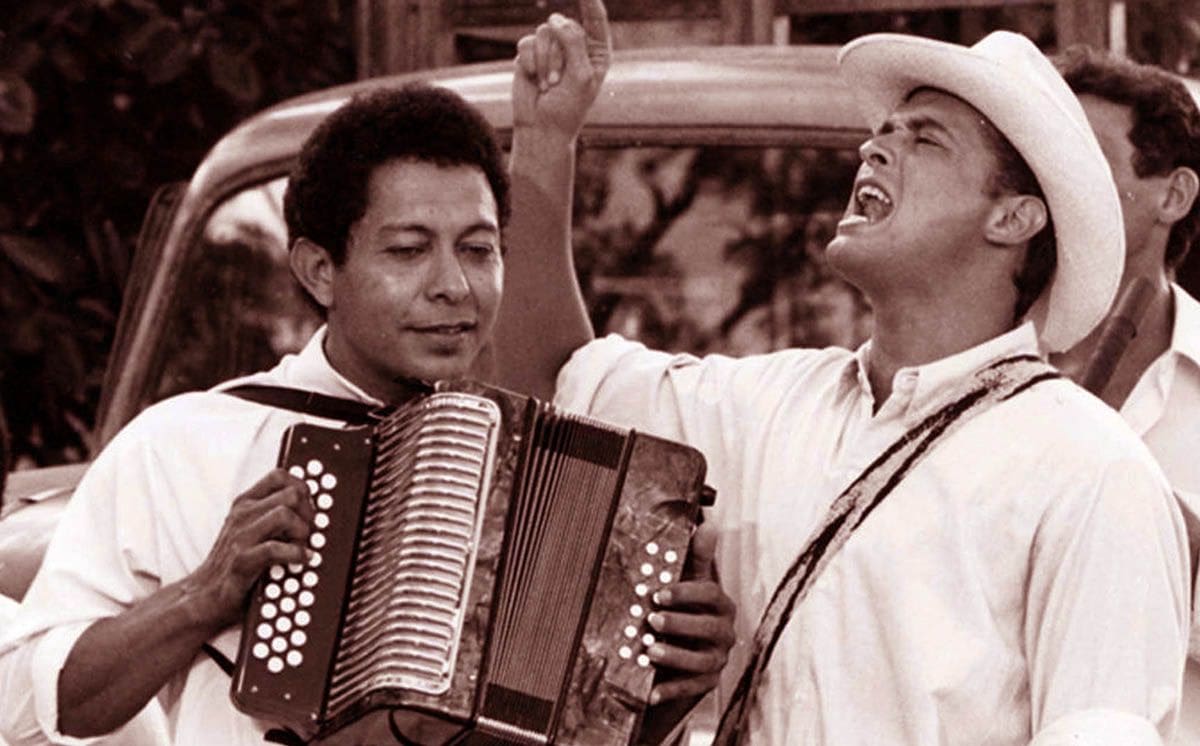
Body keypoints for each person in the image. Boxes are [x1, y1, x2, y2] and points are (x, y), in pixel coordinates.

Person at [0, 6, 733, 743]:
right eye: (409, 250)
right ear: (320, 269)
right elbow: (54, 703)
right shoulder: (183, 444)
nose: (454, 286)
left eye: (478, 250)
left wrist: (659, 697)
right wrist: (206, 594)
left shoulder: (562, 479)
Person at [495, 26, 1191, 745]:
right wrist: (546, 136)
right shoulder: (767, 406)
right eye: (882, 131)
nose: (874, 147)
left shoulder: (1094, 473)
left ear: (1013, 218)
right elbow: (548, 386)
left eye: (925, 140)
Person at [1048, 47, 1200, 745]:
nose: (1054, 183)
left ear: (1173, 195)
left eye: (1085, 160)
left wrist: (1172, 547)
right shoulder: (967, 364)